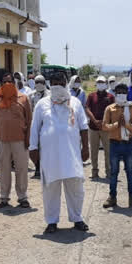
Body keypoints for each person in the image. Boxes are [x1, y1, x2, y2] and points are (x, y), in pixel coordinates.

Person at [29, 72, 91, 233]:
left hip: (72, 155)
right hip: (50, 156)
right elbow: (34, 128)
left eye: (60, 82)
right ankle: (51, 221)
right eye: (54, 82)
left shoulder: (75, 102)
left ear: (65, 83)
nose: (57, 85)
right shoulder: (42, 104)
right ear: (50, 84)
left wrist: (86, 147)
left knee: (76, 188)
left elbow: (84, 127)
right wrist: (33, 148)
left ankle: (77, 218)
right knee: (50, 189)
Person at [0, 73, 32, 209]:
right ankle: (4, 197)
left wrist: (28, 138)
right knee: (4, 169)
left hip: (20, 140)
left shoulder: (23, 98)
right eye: (4, 81)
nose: (7, 83)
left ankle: (22, 197)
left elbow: (29, 120)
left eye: (10, 81)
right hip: (2, 140)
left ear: (15, 82)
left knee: (21, 169)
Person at [102, 83, 132, 209]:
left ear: (127, 94)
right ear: (115, 93)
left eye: (123, 92)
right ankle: (112, 197)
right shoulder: (110, 108)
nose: (121, 95)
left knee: (130, 171)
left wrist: (127, 125)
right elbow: (104, 126)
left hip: (128, 144)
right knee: (114, 172)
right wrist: (116, 125)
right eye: (118, 92)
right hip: (114, 143)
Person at [85, 76, 115, 180]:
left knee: (108, 151)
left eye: (102, 82)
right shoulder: (91, 96)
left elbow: (113, 110)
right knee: (93, 150)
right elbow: (87, 108)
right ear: (96, 84)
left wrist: (104, 121)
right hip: (93, 127)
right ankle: (94, 171)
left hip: (106, 128)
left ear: (106, 84)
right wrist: (94, 120)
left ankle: (109, 171)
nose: (100, 84)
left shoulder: (110, 97)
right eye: (99, 82)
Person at [28, 75, 50, 178]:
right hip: (35, 124)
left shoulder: (49, 94)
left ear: (44, 83)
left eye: (41, 82)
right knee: (34, 146)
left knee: (45, 147)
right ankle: (37, 167)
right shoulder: (31, 95)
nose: (39, 84)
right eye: (37, 82)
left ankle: (46, 168)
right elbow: (29, 109)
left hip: (46, 124)